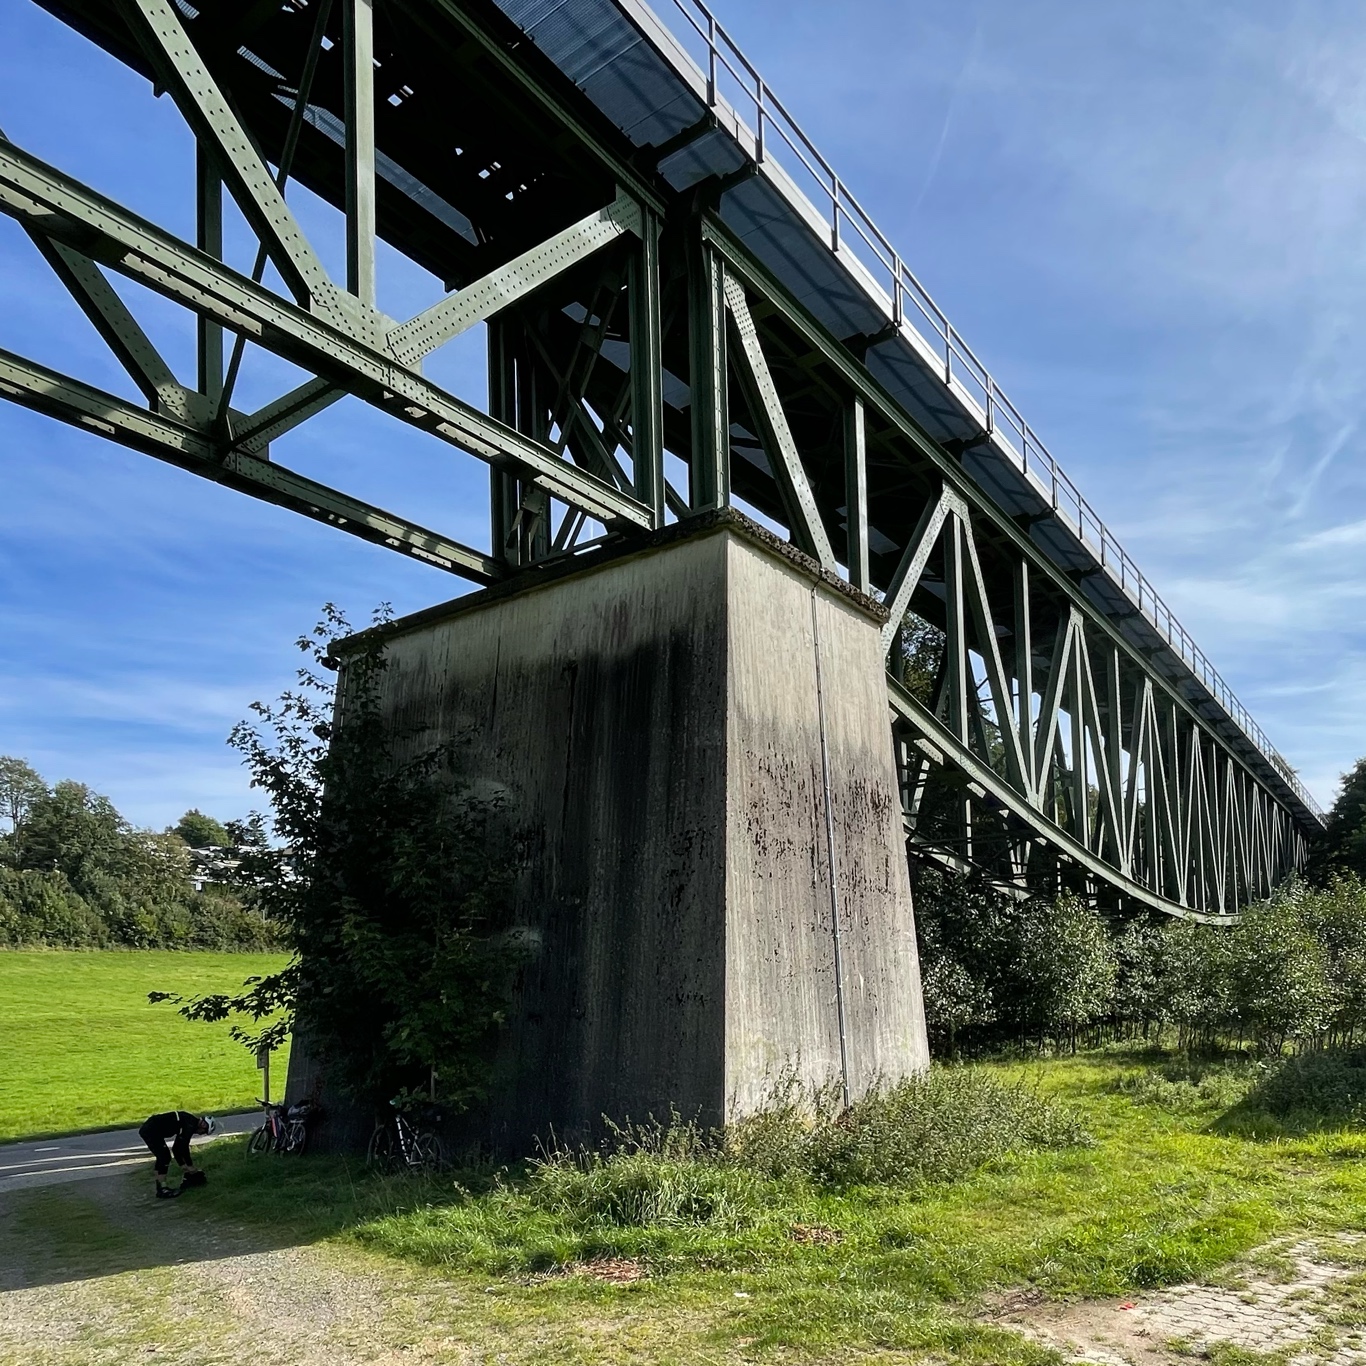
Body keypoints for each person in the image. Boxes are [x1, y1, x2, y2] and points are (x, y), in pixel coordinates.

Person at [138, 1110, 217, 1199]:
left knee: (162, 1157)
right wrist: (190, 1165)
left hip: (151, 1129)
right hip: (151, 1130)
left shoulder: (189, 1121)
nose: (199, 1134)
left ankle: (160, 1187)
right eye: (203, 1132)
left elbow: (176, 1148)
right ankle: (162, 1189)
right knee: (164, 1157)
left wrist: (183, 1165)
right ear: (203, 1125)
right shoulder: (190, 1125)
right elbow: (184, 1147)